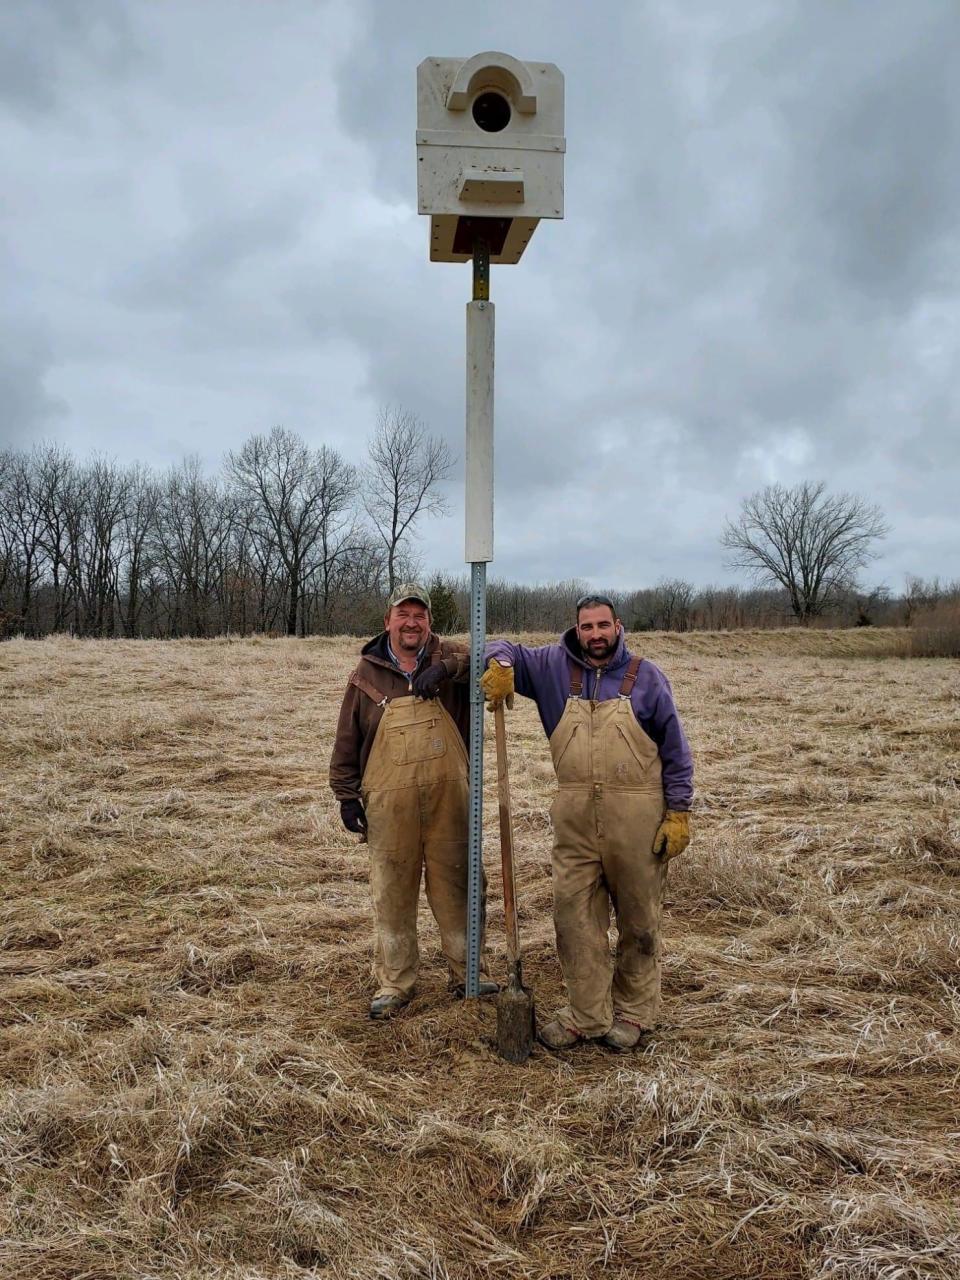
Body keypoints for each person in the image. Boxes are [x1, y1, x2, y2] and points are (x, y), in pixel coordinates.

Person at [481, 593, 693, 1052]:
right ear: (575, 629)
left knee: (638, 922)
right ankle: (586, 1014)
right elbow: (501, 644)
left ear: (618, 626)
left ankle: (635, 1013)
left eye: (602, 625)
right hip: (575, 821)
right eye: (586, 627)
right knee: (573, 920)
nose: (595, 635)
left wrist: (678, 811)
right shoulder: (554, 667)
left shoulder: (648, 678)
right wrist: (500, 664)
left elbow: (676, 751)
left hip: (637, 819)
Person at [329, 583, 497, 1019]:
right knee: (393, 895)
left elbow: (489, 657)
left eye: (419, 615)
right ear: (387, 622)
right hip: (389, 806)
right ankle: (396, 983)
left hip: (450, 804)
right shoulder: (366, 675)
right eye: (402, 614)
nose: (411, 623)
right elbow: (347, 741)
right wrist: (346, 796)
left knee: (460, 889)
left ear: (429, 622)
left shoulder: (452, 656)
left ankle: (468, 974)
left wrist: (447, 670)